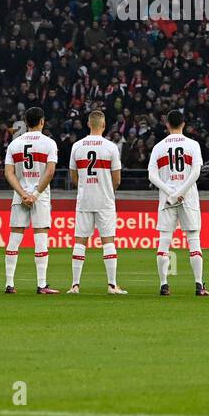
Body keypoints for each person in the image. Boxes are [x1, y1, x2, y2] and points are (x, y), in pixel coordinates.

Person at [147, 109, 209, 296]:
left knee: (164, 241)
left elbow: (151, 175)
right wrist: (181, 192)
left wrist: (171, 192)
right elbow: (196, 172)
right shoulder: (193, 145)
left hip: (167, 199)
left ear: (167, 124)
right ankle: (199, 285)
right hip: (188, 196)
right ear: (183, 124)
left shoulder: (159, 147)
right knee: (193, 239)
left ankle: (163, 284)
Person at [67, 110, 126, 294]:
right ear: (104, 125)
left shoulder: (77, 146)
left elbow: (73, 175)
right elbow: (117, 179)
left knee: (80, 241)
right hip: (105, 200)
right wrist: (107, 189)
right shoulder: (110, 147)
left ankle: (75, 285)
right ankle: (111, 285)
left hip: (84, 199)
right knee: (108, 240)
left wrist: (85, 186)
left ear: (88, 124)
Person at [3, 107, 60, 294]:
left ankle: (9, 284)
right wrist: (35, 194)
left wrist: (22, 193)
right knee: (40, 236)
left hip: (20, 195)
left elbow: (8, 173)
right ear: (42, 121)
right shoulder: (49, 143)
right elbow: (50, 171)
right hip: (40, 196)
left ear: (26, 122)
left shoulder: (14, 144)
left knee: (15, 237)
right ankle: (41, 284)